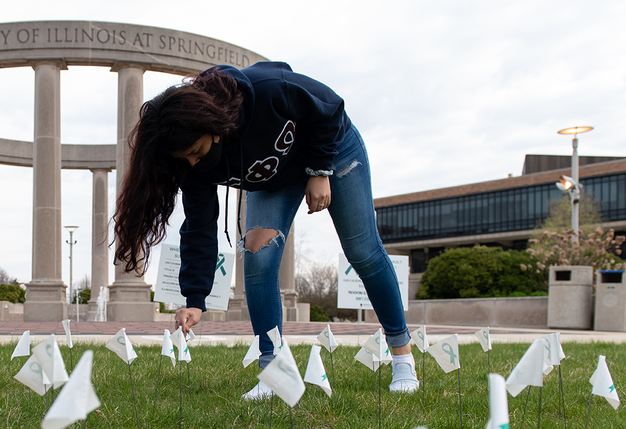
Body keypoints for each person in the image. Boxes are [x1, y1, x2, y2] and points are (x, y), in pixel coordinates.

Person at [112, 61, 417, 397]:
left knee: (363, 251)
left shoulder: (269, 88)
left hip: (333, 147)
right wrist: (195, 299)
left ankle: (402, 355)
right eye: (186, 159)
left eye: (197, 152)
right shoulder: (193, 165)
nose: (195, 164)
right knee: (257, 257)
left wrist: (318, 169)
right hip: (274, 179)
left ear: (212, 125)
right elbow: (199, 227)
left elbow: (329, 106)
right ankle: (274, 372)